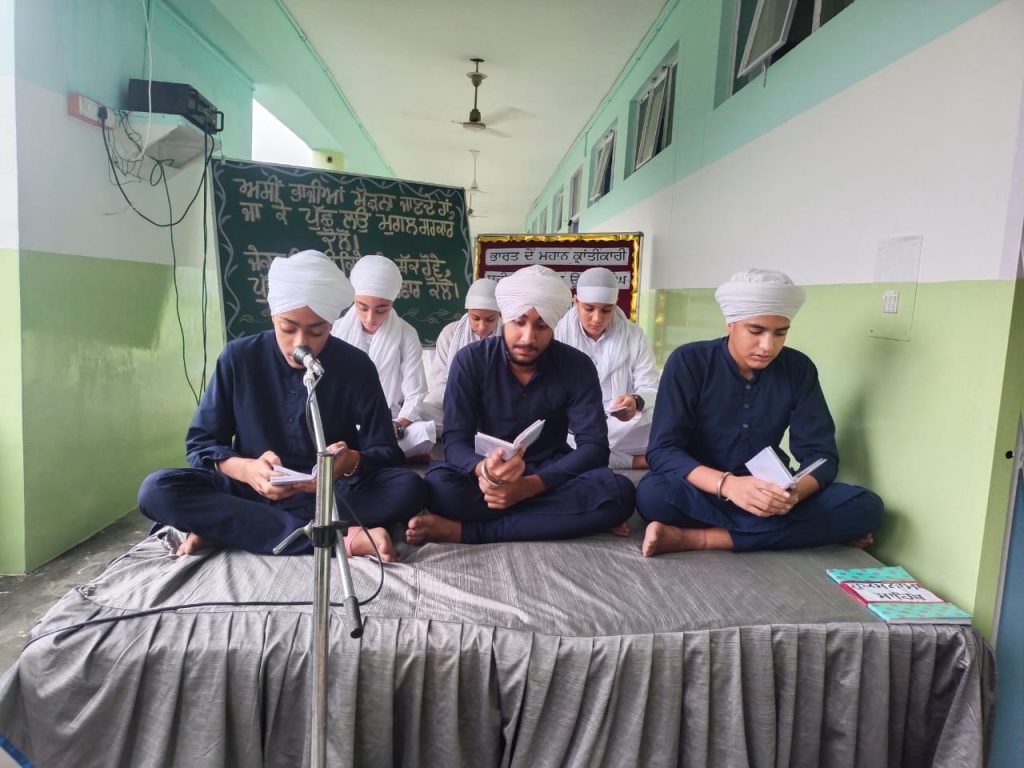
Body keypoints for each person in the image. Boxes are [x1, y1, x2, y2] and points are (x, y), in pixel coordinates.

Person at [137, 250, 428, 561]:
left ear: (331, 324)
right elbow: (201, 445)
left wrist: (350, 462)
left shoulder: (356, 366)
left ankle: (229, 526)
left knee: (409, 489)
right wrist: (246, 470)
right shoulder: (238, 357)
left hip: (330, 492)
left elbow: (386, 452)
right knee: (156, 490)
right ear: (273, 317)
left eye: (317, 331)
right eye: (288, 328)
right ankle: (338, 538)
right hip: (250, 489)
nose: (301, 342)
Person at [636, 268, 883, 556]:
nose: (768, 346)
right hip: (704, 490)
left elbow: (822, 456)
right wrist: (729, 486)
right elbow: (663, 451)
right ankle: (795, 533)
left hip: (772, 494)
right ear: (730, 324)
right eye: (756, 331)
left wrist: (791, 495)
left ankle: (698, 538)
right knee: (653, 495)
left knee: (866, 506)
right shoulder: (689, 361)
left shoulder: (798, 368)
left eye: (780, 333)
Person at [410, 264, 636, 545]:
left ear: (553, 325)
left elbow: (594, 448)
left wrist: (528, 487)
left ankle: (467, 531)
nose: (528, 338)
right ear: (505, 318)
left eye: (541, 326)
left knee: (619, 492)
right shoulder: (471, 360)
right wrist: (484, 471)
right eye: (519, 322)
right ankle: (565, 519)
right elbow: (455, 441)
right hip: (485, 475)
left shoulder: (577, 366)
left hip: (548, 474)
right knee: (439, 488)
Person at [330, 254, 434, 458]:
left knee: (422, 433)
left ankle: (365, 455)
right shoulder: (336, 329)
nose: (370, 318)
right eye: (362, 307)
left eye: (381, 310)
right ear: (354, 300)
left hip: (387, 423)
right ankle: (386, 456)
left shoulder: (406, 333)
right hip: (344, 422)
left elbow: (415, 393)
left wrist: (398, 425)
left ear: (392, 304)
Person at [555, 267, 659, 470]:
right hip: (574, 427)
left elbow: (650, 387)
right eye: (589, 308)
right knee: (557, 438)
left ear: (615, 305)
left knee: (665, 424)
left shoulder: (634, 335)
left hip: (624, 426)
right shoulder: (557, 334)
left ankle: (591, 455)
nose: (597, 318)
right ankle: (637, 461)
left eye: (606, 310)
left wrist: (635, 402)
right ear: (576, 302)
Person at [420, 278, 501, 429]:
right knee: (418, 411)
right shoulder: (450, 333)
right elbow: (439, 382)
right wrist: (461, 401)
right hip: (454, 406)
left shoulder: (508, 334)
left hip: (494, 410)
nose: (482, 327)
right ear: (467, 312)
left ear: (499, 314)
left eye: (490, 319)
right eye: (475, 318)